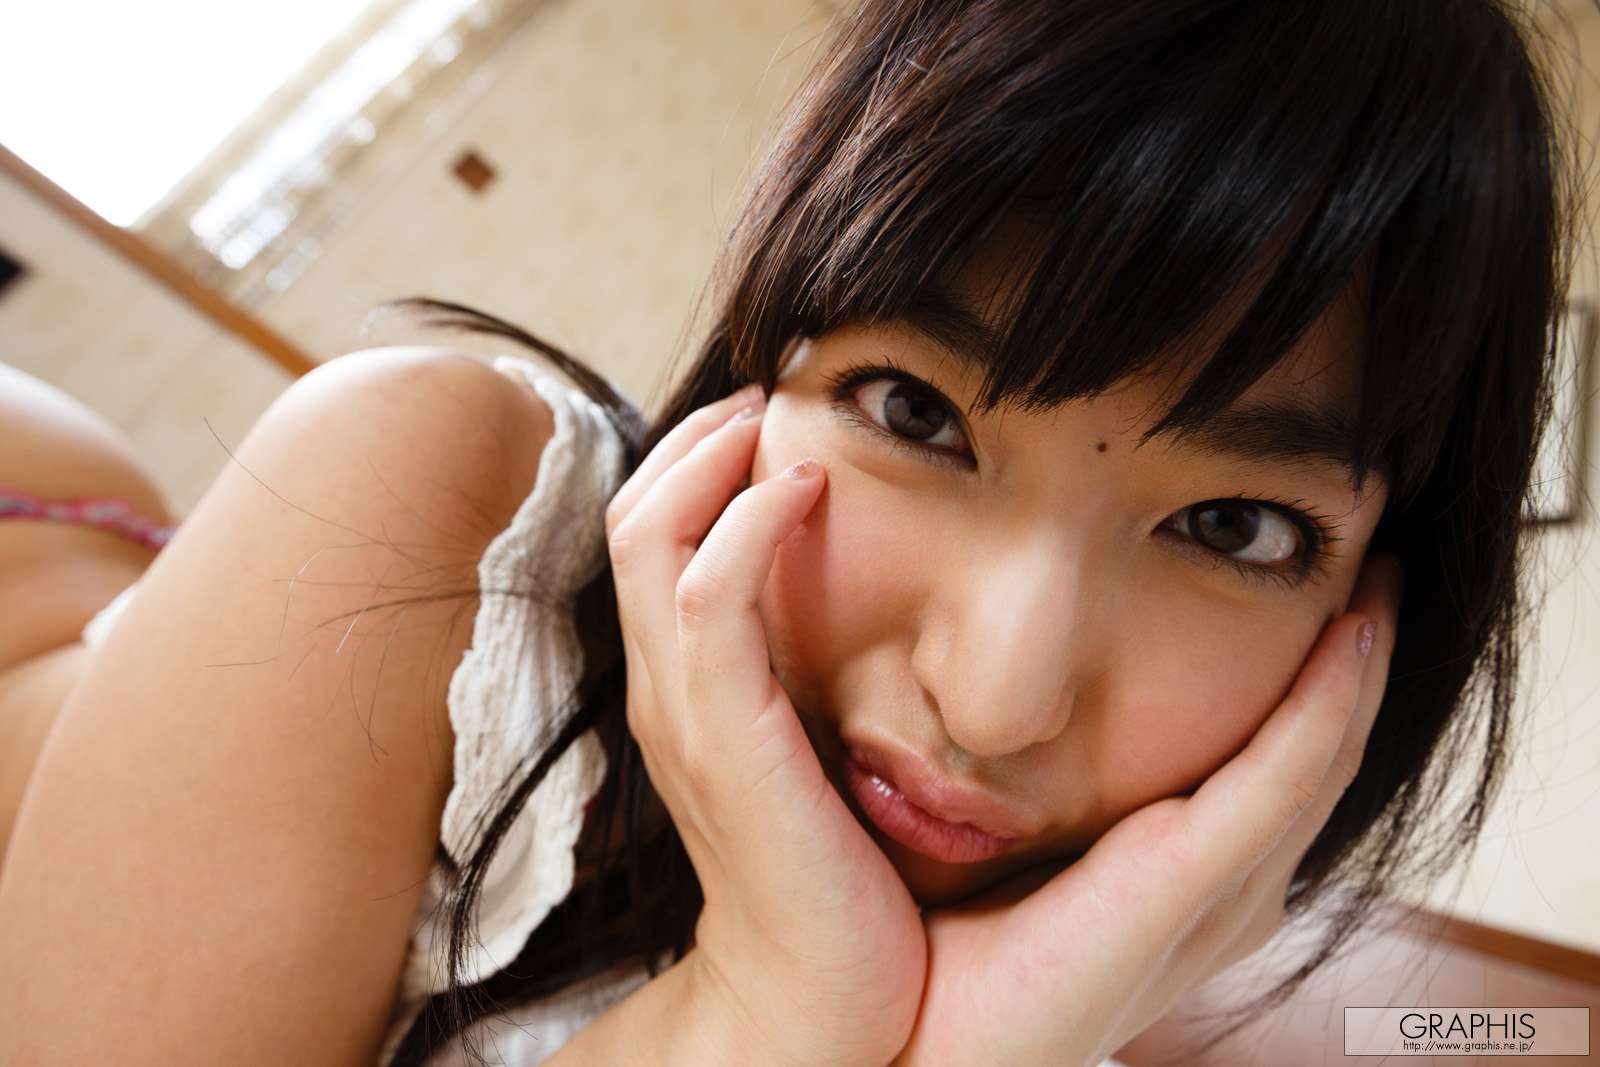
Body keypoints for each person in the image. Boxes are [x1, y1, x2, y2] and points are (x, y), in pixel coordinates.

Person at [0, 0, 1577, 1063]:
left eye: (1232, 526)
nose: (997, 700)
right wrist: (755, 1013)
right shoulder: (428, 474)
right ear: (769, 355)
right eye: (914, 412)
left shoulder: (1067, 985)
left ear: (1378, 600)